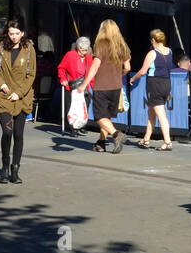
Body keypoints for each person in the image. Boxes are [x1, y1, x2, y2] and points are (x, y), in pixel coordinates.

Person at [0, 19, 35, 184]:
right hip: (4, 96)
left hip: (22, 97)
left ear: (22, 33)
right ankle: (5, 166)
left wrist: (19, 94)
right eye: (11, 33)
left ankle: (15, 169)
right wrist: (1, 84)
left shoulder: (29, 50)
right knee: (7, 132)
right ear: (7, 33)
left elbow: (31, 75)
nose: (14, 37)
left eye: (17, 33)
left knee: (18, 134)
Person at [75, 19, 131, 153]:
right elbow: (128, 67)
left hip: (102, 86)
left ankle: (117, 134)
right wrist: (118, 75)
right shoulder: (122, 45)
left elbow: (95, 66)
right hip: (116, 86)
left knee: (99, 117)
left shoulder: (101, 44)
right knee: (107, 117)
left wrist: (84, 84)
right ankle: (101, 142)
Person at [132, 28, 174, 150]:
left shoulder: (152, 53)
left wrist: (133, 78)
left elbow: (143, 71)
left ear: (153, 40)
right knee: (152, 112)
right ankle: (146, 139)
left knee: (160, 114)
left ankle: (167, 142)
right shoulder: (169, 51)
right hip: (166, 83)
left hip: (154, 84)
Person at [57, 37, 93, 134]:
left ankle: (82, 125)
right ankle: (72, 127)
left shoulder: (89, 58)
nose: (83, 52)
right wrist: (63, 79)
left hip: (84, 86)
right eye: (81, 49)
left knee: (85, 105)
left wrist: (93, 87)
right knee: (72, 107)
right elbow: (61, 68)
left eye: (86, 50)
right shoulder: (70, 55)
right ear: (77, 47)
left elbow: (91, 74)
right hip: (72, 85)